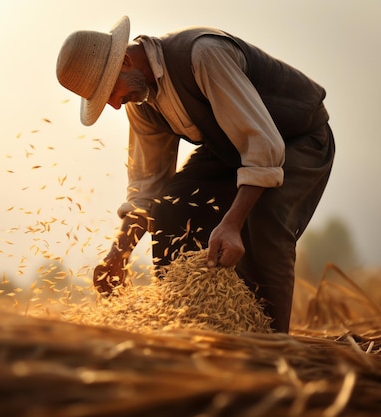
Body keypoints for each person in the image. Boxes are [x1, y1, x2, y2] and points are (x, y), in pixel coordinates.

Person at [55, 16, 335, 333]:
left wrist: (231, 223)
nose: (116, 107)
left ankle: (270, 347)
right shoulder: (141, 102)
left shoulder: (202, 55)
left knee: (264, 222)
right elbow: (149, 186)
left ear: (125, 60)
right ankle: (188, 328)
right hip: (230, 149)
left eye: (110, 93)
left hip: (295, 137)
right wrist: (118, 255)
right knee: (170, 208)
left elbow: (264, 146)